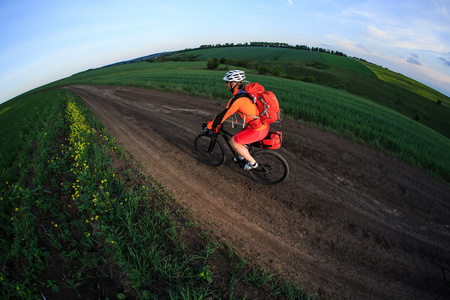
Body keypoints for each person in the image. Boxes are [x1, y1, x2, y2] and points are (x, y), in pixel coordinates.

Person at [203, 70, 269, 170]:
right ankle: (242, 155)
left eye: (227, 82)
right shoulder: (246, 92)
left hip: (258, 130)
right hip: (261, 125)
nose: (226, 85)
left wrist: (208, 126)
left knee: (233, 141)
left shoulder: (238, 100)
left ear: (233, 83)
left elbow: (222, 116)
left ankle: (253, 163)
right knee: (240, 137)